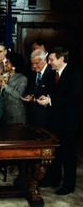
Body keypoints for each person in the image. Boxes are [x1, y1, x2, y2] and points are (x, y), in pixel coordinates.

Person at [36, 47, 83, 195]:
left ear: (61, 59)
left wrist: (50, 101)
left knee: (68, 156)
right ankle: (53, 179)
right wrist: (44, 98)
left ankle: (68, 185)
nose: (49, 62)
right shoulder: (52, 74)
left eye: (51, 60)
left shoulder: (75, 74)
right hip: (54, 122)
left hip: (70, 123)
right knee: (55, 154)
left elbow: (73, 98)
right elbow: (50, 93)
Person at [21, 49, 55, 128]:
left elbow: (53, 95)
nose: (34, 66)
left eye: (36, 63)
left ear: (44, 60)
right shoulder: (32, 73)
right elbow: (31, 89)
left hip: (46, 116)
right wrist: (30, 96)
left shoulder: (52, 73)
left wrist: (35, 99)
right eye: (32, 63)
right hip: (32, 115)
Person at [0, 59, 27, 124]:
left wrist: (5, 86)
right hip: (4, 113)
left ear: (14, 65)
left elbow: (18, 94)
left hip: (16, 114)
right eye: (5, 63)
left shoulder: (22, 78)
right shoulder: (4, 76)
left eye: (7, 62)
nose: (5, 64)